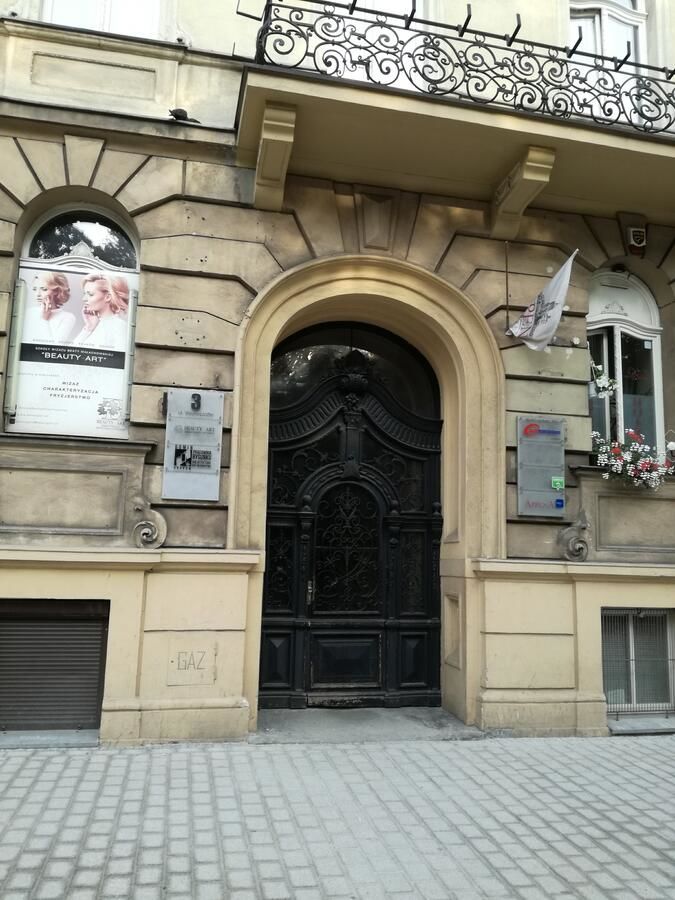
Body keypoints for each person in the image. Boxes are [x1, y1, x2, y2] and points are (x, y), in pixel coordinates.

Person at [72, 273, 130, 352]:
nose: (84, 299)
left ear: (108, 297)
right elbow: (70, 353)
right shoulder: (94, 326)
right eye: (84, 294)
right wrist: (88, 327)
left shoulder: (119, 326)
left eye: (90, 294)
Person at [22, 272, 76, 343]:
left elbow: (55, 346)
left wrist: (45, 320)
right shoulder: (29, 312)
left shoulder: (68, 317)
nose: (38, 294)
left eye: (44, 289)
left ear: (56, 291)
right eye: (35, 289)